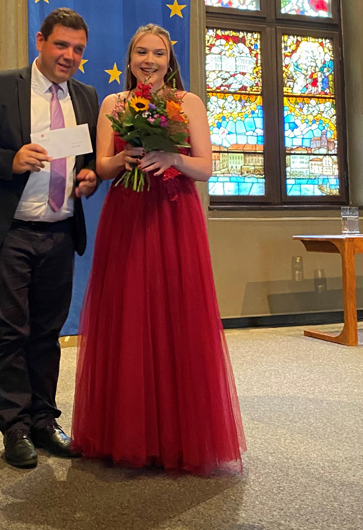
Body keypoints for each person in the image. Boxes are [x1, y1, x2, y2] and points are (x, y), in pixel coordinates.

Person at [71, 23, 246, 474]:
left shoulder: (188, 103)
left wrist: (171, 158)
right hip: (127, 214)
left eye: (159, 53)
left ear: (170, 61)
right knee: (127, 312)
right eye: (142, 52)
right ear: (130, 59)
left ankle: (180, 437)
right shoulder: (114, 104)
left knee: (176, 312)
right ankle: (125, 432)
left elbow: (205, 167)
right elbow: (102, 166)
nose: (150, 61)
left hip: (174, 212)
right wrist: (122, 159)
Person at [0, 7, 99, 469]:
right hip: (6, 232)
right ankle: (14, 427)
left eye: (78, 49)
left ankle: (44, 420)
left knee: (47, 332)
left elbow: (87, 159)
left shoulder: (87, 96)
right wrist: (9, 160)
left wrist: (89, 177)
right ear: (40, 41)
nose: (69, 55)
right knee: (7, 333)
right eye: (61, 45)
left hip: (59, 231)